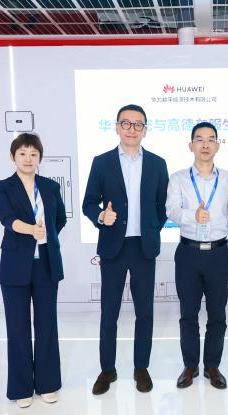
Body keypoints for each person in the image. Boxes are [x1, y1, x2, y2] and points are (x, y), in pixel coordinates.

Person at [82, 104, 169, 394]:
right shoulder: (102, 162)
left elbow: (162, 206)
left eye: (138, 124)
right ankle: (107, 370)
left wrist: (152, 227)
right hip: (113, 248)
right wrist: (101, 216)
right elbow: (88, 203)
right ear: (117, 127)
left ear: (145, 130)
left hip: (143, 247)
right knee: (110, 313)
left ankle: (141, 367)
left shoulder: (157, 163)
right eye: (126, 123)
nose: (132, 129)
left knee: (145, 312)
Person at [0, 133, 66, 408]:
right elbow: (7, 219)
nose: (28, 158)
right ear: (13, 156)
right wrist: (31, 230)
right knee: (17, 328)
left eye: (33, 154)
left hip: (45, 263)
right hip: (15, 265)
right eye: (22, 153)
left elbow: (59, 219)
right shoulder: (1, 188)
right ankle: (21, 388)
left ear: (39, 158)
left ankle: (48, 383)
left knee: (47, 326)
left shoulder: (50, 187)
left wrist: (45, 237)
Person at [166, 122, 228, 389]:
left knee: (217, 313)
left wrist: (219, 229)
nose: (205, 144)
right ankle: (190, 366)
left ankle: (213, 366)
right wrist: (192, 216)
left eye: (210, 139)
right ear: (191, 145)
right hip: (188, 253)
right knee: (188, 314)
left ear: (217, 145)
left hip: (218, 253)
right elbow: (171, 210)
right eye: (199, 139)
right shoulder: (178, 178)